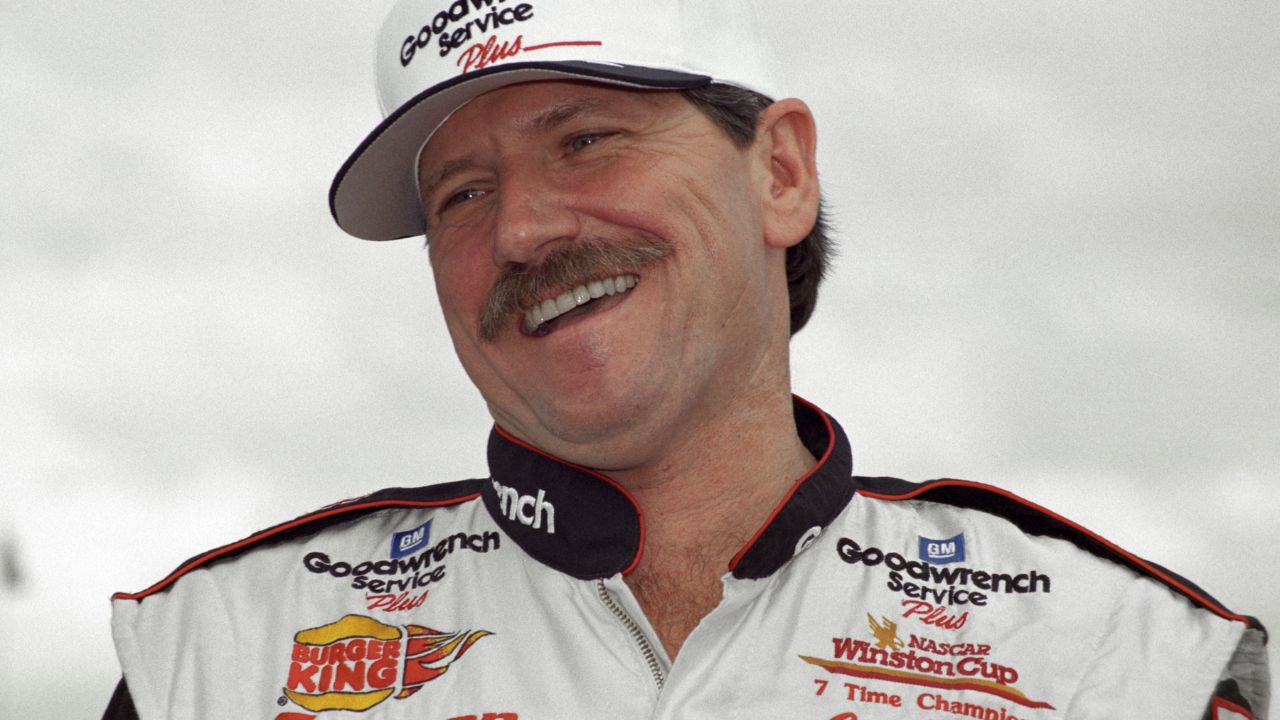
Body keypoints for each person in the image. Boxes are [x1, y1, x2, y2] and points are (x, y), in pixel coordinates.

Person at [104, 1, 1270, 718]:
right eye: (462, 194)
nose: (520, 232)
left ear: (778, 174)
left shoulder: (1115, 663)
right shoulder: (218, 658)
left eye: (587, 139)